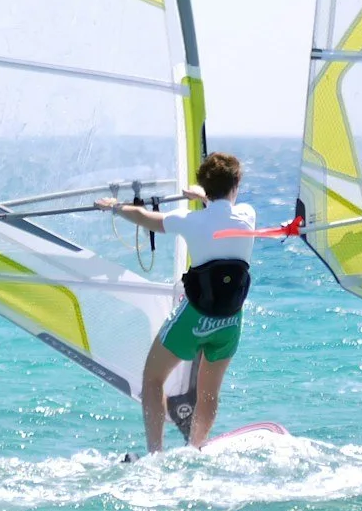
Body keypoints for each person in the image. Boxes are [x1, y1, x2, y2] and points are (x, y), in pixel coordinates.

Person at [96, 152, 256, 453]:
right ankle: (196, 449)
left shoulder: (189, 221)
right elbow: (223, 211)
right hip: (230, 321)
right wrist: (205, 197)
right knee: (209, 393)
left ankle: (155, 454)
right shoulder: (247, 216)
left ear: (204, 185)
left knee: (153, 379)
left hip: (194, 319)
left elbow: (146, 219)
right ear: (236, 184)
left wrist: (116, 207)